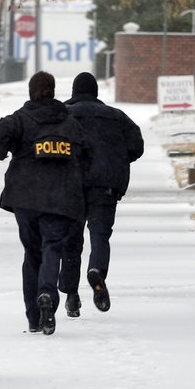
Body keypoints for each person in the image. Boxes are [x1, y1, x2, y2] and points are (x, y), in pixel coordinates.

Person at [0, 71, 90, 335]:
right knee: (52, 249)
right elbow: (86, 156)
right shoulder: (70, 124)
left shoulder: (20, 120)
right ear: (54, 91)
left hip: (26, 199)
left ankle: (34, 318)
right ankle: (46, 294)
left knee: (32, 254)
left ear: (31, 92)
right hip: (60, 199)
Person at [59, 72, 144, 316]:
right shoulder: (116, 117)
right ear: (96, 92)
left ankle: (71, 296)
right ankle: (96, 270)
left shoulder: (63, 114)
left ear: (74, 92)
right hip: (104, 186)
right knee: (100, 235)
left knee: (71, 241)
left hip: (70, 187)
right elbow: (136, 146)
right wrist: (116, 158)